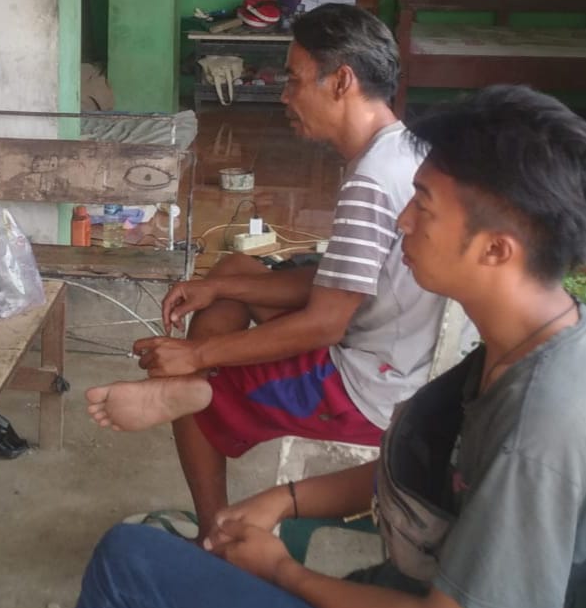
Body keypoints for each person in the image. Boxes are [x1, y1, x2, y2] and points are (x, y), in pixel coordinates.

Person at [78, 84, 586, 608]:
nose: (404, 221)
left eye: (424, 206)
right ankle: (205, 400)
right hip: (392, 577)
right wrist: (286, 499)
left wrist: (283, 572)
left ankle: (206, 396)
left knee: (125, 558)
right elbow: (424, 467)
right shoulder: (521, 343)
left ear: (496, 250)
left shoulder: (539, 430)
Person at [85, 3, 446, 539]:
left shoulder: (372, 181)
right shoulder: (401, 150)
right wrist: (218, 285)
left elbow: (325, 323)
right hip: (394, 348)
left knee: (191, 390)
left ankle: (215, 538)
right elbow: (338, 280)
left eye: (294, 80)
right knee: (234, 268)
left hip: (367, 387)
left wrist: (197, 356)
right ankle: (204, 386)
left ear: (341, 82)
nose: (284, 95)